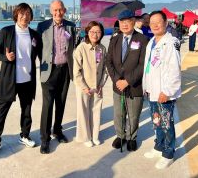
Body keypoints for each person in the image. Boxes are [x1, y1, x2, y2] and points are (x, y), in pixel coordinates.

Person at [0, 3, 42, 159]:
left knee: (26, 110)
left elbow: (40, 55)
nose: (24, 16)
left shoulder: (34, 35)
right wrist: (6, 57)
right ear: (16, 15)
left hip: (27, 80)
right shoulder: (7, 31)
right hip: (9, 79)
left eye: (27, 14)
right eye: (21, 13)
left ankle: (24, 135)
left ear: (31, 16)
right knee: (1, 112)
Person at [143, 10, 181, 169]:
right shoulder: (151, 41)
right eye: (152, 23)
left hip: (164, 93)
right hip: (152, 90)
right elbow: (148, 67)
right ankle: (159, 146)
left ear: (166, 23)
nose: (155, 25)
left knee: (166, 123)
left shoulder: (171, 43)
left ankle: (169, 152)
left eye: (158, 22)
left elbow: (175, 69)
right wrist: (146, 87)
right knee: (157, 121)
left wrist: (167, 91)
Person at [37, 0, 76, 154]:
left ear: (64, 10)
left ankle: (57, 131)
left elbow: (75, 47)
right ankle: (45, 139)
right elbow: (37, 48)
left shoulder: (71, 26)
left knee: (61, 102)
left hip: (65, 70)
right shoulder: (42, 26)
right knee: (48, 105)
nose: (58, 13)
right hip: (49, 71)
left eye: (60, 10)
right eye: (55, 10)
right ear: (51, 11)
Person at [106, 10, 148, 152]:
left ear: (133, 21)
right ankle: (120, 135)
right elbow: (108, 61)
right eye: (121, 21)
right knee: (118, 113)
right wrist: (117, 80)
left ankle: (131, 137)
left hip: (135, 85)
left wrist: (128, 81)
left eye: (127, 21)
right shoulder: (115, 39)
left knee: (134, 114)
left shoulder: (142, 40)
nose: (124, 24)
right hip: (117, 85)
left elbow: (143, 64)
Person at [73, 21, 107, 147]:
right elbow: (76, 70)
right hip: (84, 86)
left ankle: (95, 135)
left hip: (97, 86)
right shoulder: (81, 48)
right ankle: (85, 137)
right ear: (87, 32)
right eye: (92, 31)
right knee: (83, 111)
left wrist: (101, 84)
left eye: (98, 32)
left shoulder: (102, 48)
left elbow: (105, 69)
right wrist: (83, 87)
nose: (95, 34)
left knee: (96, 110)